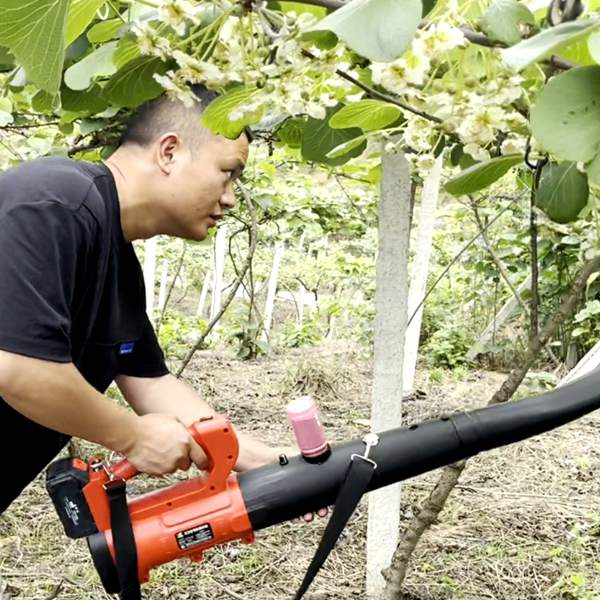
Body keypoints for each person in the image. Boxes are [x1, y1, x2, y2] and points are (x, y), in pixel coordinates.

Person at [0, 86, 285, 514]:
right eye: (228, 172)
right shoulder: (55, 202)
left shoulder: (118, 265)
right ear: (169, 152)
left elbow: (149, 381)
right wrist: (131, 436)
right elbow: (18, 367)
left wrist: (269, 464)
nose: (229, 197)